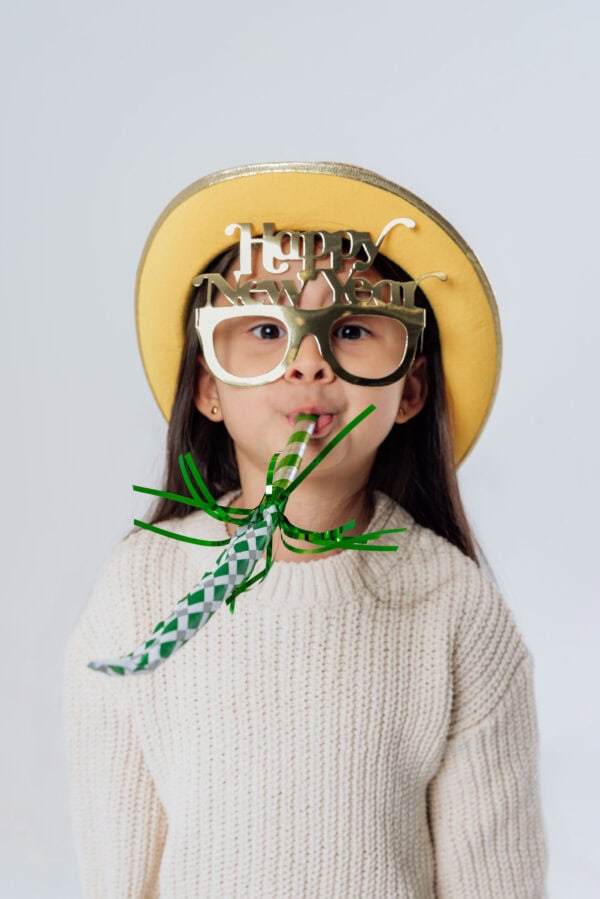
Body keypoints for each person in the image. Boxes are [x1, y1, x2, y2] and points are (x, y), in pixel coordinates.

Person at [64, 162, 547, 897]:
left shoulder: (455, 608)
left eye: (350, 329)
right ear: (208, 388)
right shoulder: (142, 587)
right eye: (264, 328)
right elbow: (116, 869)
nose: (308, 362)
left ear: (409, 391)